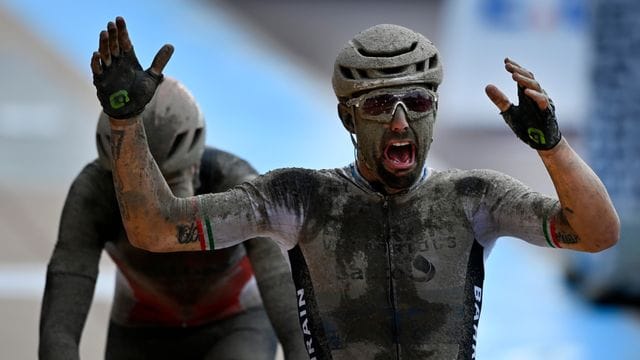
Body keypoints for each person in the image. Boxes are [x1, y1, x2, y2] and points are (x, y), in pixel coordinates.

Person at [90, 17, 619, 359]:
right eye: (376, 106)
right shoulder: (298, 199)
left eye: (415, 103)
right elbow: (156, 230)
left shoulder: (475, 198)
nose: (398, 124)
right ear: (347, 116)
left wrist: (551, 147)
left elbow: (597, 234)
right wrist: (126, 124)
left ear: (433, 109)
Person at [39, 77, 306, 360]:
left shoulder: (236, 182)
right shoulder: (93, 194)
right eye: (135, 192)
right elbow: (60, 329)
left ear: (194, 165)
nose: (156, 208)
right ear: (112, 175)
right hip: (141, 330)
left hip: (234, 326)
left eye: (169, 186)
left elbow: (294, 322)